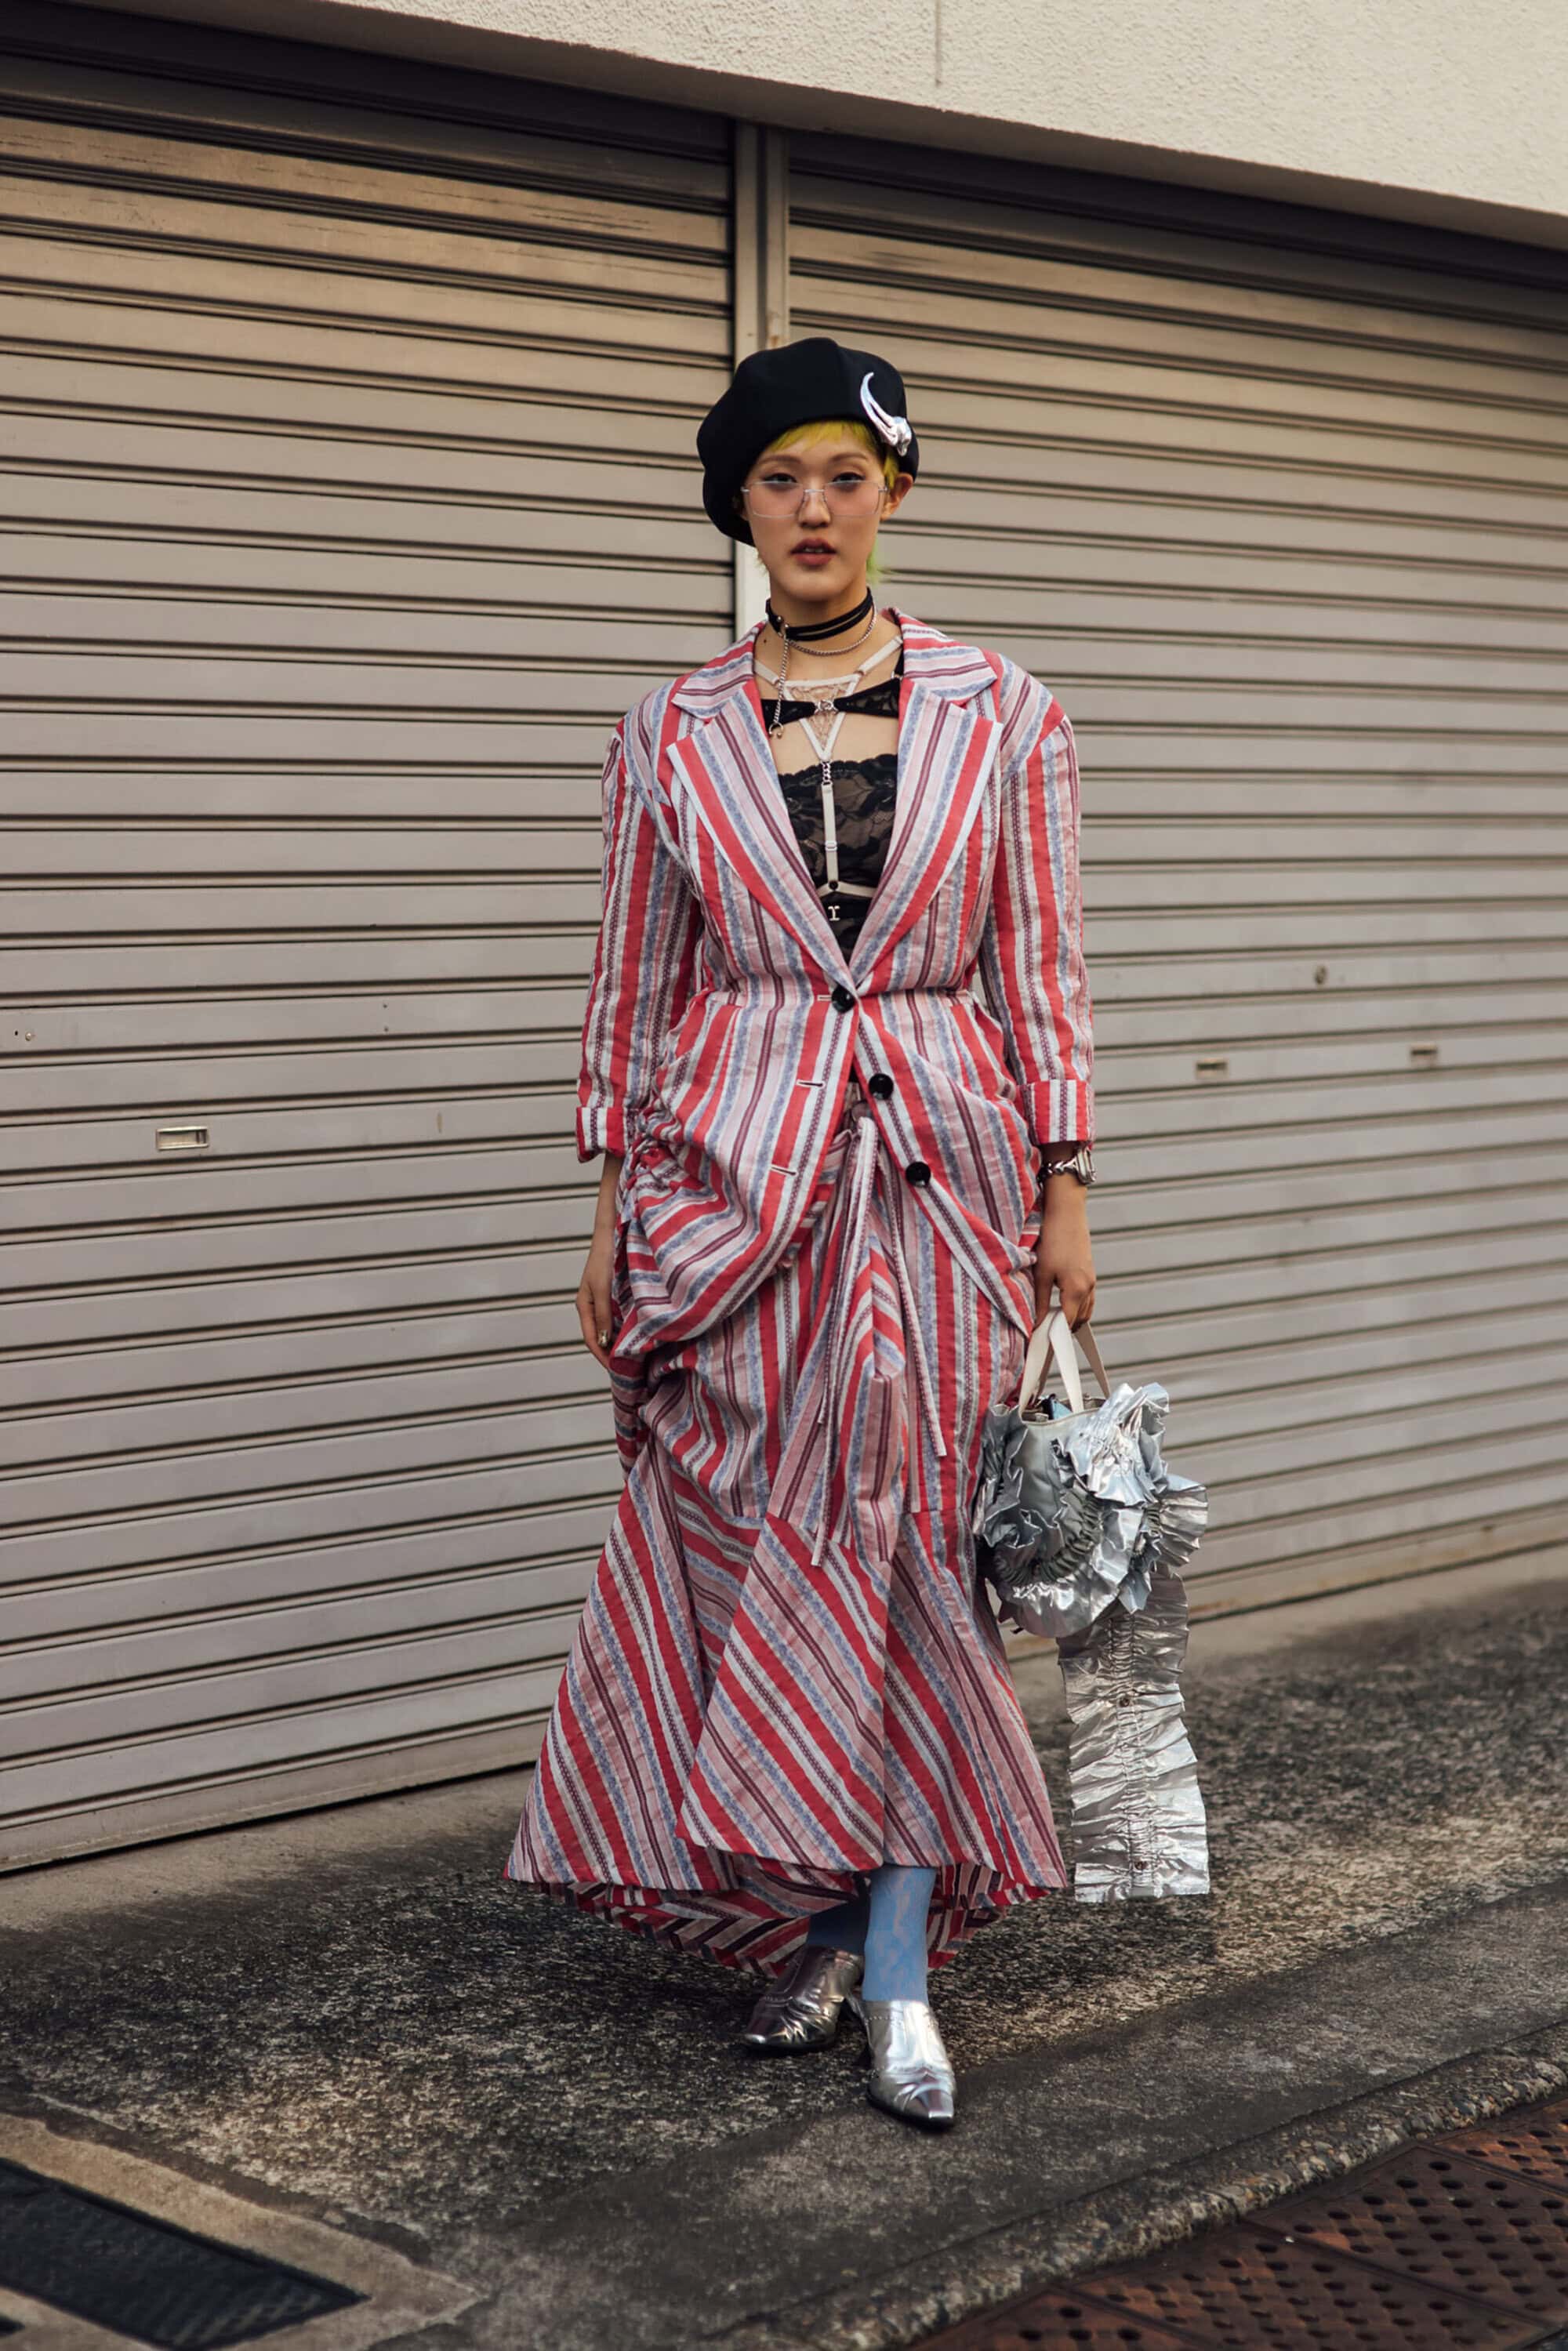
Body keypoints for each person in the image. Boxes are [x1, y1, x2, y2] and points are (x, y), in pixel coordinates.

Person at [506, 336, 1097, 2132]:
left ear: (893, 491)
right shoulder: (668, 731)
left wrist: (1066, 1187)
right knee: (746, 1543)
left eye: (847, 474)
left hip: (940, 1181)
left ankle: (896, 1959)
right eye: (780, 479)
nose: (815, 508)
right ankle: (816, 1918)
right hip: (730, 1193)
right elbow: (632, 983)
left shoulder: (1005, 709)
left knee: (915, 1560)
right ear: (739, 507)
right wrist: (609, 1208)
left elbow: (1041, 963)